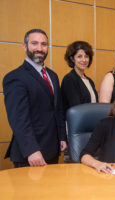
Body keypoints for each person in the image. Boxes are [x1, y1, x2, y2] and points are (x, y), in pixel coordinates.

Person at [3, 29, 67, 168]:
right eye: (34, 43)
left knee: (51, 190)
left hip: (52, 149)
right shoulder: (15, 77)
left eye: (44, 44)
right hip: (30, 154)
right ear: (25, 46)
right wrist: (32, 150)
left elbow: (58, 109)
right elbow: (18, 119)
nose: (39, 48)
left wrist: (62, 136)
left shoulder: (53, 76)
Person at [61, 41, 98, 114]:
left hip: (90, 121)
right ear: (72, 59)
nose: (84, 60)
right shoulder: (69, 79)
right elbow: (76, 108)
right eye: (79, 56)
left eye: (86, 56)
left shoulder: (89, 81)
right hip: (77, 123)